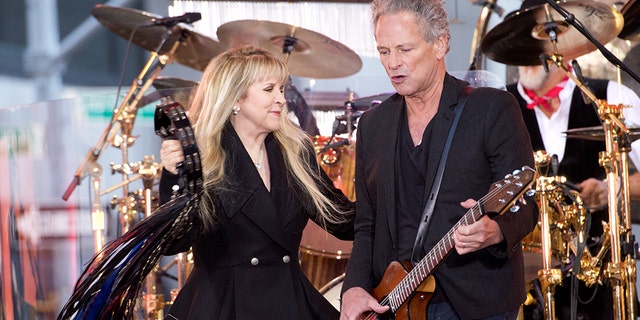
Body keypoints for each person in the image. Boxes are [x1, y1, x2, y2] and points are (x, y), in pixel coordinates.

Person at [339, 0, 538, 319]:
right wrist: (353, 289)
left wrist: (496, 231)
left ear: (440, 44)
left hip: (473, 302)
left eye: (404, 49)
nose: (393, 63)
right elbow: (366, 225)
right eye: (384, 51)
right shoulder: (373, 125)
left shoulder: (490, 109)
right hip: (393, 301)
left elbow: (526, 204)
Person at [157, 45, 355, 319]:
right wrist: (172, 174)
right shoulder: (203, 159)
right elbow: (172, 243)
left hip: (290, 303)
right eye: (269, 89)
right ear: (236, 98)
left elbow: (343, 222)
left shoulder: (296, 154)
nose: (281, 100)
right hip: (223, 307)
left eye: (282, 89)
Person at [507, 38, 640, 320]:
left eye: (537, 40)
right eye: (519, 39)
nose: (528, 52)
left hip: (600, 276)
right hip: (527, 284)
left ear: (563, 45)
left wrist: (612, 188)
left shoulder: (609, 96)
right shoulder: (499, 105)